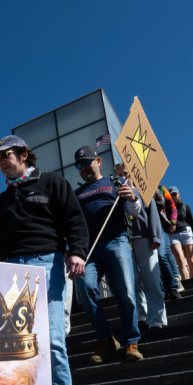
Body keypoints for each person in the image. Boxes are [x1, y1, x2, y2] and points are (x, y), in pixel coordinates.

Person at [0, 135, 88, 385]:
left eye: (7, 155)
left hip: (48, 264)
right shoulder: (0, 202)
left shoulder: (52, 183)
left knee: (52, 341)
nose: (3, 162)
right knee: (16, 348)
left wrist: (77, 250)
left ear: (25, 155)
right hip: (11, 271)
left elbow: (73, 218)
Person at [72, 145, 144, 363]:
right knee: (85, 290)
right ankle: (106, 339)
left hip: (116, 241)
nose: (84, 167)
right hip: (89, 249)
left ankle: (132, 341)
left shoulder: (116, 183)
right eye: (79, 165)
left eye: (87, 162)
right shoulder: (77, 194)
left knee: (126, 292)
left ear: (99, 161)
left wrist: (132, 198)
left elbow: (134, 212)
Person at [118, 163, 167, 331]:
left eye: (126, 173)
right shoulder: (117, 194)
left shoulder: (143, 191)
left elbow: (153, 213)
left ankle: (158, 317)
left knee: (151, 278)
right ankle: (142, 314)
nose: (124, 176)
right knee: (132, 281)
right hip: (125, 240)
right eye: (120, 174)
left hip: (144, 238)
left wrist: (155, 236)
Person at [168, 187, 193, 280]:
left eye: (175, 194)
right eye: (171, 195)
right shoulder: (167, 209)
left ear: (178, 194)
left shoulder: (185, 206)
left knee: (191, 261)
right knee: (180, 261)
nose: (174, 196)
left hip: (186, 232)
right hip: (173, 234)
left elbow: (192, 221)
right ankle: (187, 283)